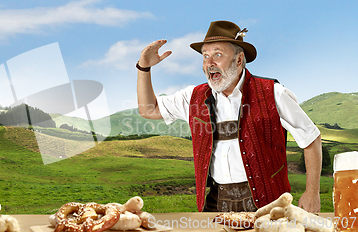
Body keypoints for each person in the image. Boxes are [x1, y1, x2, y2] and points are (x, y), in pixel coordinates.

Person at [136, 20, 322, 213]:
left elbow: (311, 138)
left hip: (270, 203)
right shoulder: (193, 97)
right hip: (216, 204)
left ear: (239, 59)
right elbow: (149, 110)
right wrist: (144, 68)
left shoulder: (273, 93)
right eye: (205, 56)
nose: (209, 64)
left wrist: (312, 192)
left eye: (218, 55)